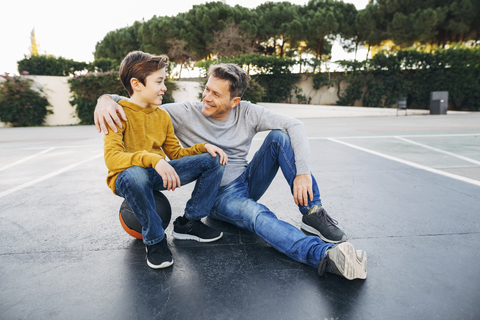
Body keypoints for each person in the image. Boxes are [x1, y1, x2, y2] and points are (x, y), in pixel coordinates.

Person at [96, 63, 367, 280]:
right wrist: (106, 99)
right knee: (256, 214)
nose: (207, 97)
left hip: (247, 179)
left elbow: (295, 125)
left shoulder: (248, 112)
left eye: (216, 94)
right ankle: (324, 256)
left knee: (279, 137)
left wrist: (303, 172)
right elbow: (139, 102)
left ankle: (312, 212)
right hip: (221, 195)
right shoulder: (181, 112)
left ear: (235, 101)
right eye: (207, 89)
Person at [104, 51, 228, 270]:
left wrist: (204, 147)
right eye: (159, 81)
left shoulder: (162, 116)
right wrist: (152, 159)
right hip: (128, 177)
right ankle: (155, 240)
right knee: (136, 173)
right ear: (137, 84)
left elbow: (176, 154)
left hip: (156, 173)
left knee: (213, 160)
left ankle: (189, 223)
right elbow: (112, 159)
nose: (164, 88)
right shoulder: (117, 113)